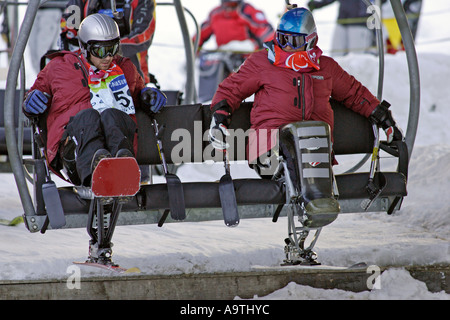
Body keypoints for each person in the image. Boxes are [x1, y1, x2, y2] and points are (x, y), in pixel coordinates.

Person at [208, 7, 403, 194]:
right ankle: (307, 193)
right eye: (282, 39)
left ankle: (314, 196)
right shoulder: (262, 63)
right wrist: (219, 119)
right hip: (268, 149)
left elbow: (355, 93)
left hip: (314, 150)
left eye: (293, 41)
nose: (286, 46)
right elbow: (231, 89)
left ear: (310, 41)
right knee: (290, 142)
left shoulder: (326, 68)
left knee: (310, 137)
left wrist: (384, 119)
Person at [23, 13, 166, 187]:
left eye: (113, 49)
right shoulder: (59, 67)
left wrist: (147, 96)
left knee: (112, 115)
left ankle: (122, 167)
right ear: (85, 47)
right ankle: (97, 173)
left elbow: (138, 95)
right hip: (74, 150)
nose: (108, 57)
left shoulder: (124, 68)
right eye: (100, 50)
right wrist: (31, 102)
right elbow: (34, 95)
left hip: (115, 141)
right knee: (88, 117)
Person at [60, 0, 156, 84]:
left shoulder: (144, 1)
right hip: (87, 77)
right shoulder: (79, 2)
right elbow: (68, 29)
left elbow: (143, 37)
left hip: (133, 77)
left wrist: (104, 50)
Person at [307, 0, 381, 56]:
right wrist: (317, 4)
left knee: (357, 58)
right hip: (342, 22)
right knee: (336, 55)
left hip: (359, 24)